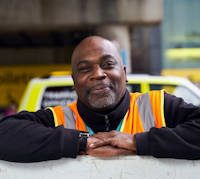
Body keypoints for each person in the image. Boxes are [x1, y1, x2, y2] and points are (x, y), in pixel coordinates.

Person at [0, 36, 200, 162]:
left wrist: (138, 142)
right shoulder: (58, 118)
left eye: (108, 64)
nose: (98, 74)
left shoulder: (159, 106)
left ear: (124, 73)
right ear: (74, 82)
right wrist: (80, 143)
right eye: (85, 69)